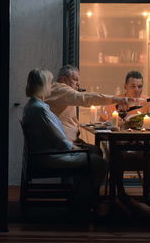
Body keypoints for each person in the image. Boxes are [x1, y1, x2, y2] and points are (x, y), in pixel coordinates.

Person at [22, 68, 108, 213]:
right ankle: (80, 205)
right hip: (49, 157)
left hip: (45, 152)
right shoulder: (40, 109)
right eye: (50, 83)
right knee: (99, 162)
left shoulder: (34, 105)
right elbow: (59, 139)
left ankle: (80, 198)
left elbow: (55, 135)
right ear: (43, 86)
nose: (52, 86)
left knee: (93, 154)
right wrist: (76, 148)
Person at [104, 70, 150, 207]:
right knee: (116, 149)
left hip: (142, 146)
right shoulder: (115, 102)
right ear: (125, 86)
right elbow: (104, 125)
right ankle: (120, 191)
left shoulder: (148, 101)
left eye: (140, 86)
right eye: (133, 86)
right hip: (121, 146)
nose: (137, 90)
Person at [45, 65, 136, 145]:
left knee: (99, 150)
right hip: (64, 144)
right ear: (63, 79)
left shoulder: (61, 94)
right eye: (75, 80)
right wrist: (118, 99)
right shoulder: (60, 90)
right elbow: (85, 98)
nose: (78, 84)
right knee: (98, 154)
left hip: (66, 141)